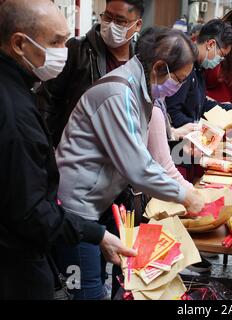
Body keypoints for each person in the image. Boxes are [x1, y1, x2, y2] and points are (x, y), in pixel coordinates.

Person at [54, 27, 205, 299]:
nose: (179, 86)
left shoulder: (140, 89)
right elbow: (138, 168)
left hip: (97, 203)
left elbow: (145, 159)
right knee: (86, 292)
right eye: (179, 79)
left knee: (101, 282)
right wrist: (186, 196)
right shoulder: (119, 93)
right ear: (160, 67)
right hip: (77, 209)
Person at [0, 0, 135, 300]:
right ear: (20, 43)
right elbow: (31, 212)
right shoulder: (16, 114)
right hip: (16, 266)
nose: (64, 49)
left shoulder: (19, 88)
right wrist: (95, 234)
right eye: (56, 42)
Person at [38, 0, 144, 147]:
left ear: (137, 25)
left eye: (120, 21)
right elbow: (47, 99)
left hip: (119, 151)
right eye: (107, 17)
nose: (111, 25)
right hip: (75, 149)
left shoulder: (140, 60)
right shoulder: (79, 50)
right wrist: (47, 147)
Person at [166, 19, 232, 129]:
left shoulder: (199, 67)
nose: (220, 60)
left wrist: (228, 108)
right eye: (221, 55)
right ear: (210, 44)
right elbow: (172, 111)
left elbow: (200, 102)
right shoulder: (185, 65)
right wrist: (201, 128)